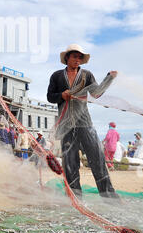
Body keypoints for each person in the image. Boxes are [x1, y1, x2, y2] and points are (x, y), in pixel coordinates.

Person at [47, 44, 119, 199]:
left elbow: (97, 93)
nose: (77, 60)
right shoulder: (57, 76)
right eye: (74, 56)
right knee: (70, 163)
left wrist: (109, 78)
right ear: (67, 58)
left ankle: (109, 196)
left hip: (84, 123)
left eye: (80, 57)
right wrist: (62, 95)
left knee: (97, 159)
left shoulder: (87, 75)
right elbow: (50, 96)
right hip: (66, 126)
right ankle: (75, 197)